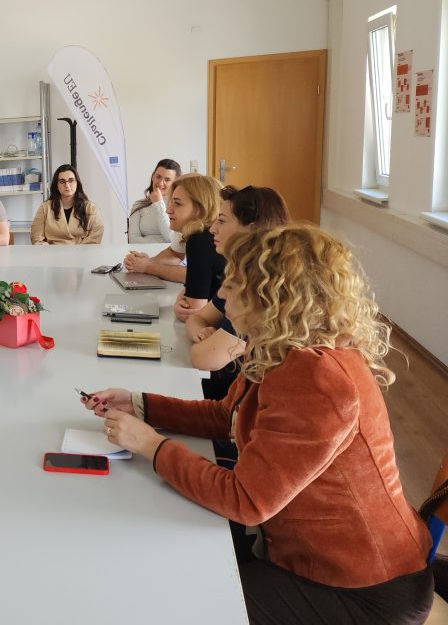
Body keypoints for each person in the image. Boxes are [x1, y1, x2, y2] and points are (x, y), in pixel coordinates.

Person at [84, 225, 433, 625]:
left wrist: (152, 446)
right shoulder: (282, 349)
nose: (223, 293)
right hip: (310, 554)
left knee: (175, 599)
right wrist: (141, 404)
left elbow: (246, 501)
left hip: (363, 589)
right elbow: (225, 416)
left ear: (273, 297)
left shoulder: (319, 378)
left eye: (234, 283)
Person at [186, 185, 290, 400]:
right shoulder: (240, 272)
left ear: (251, 230)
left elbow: (205, 359)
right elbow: (198, 317)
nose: (213, 229)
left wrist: (205, 339)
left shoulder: (260, 286)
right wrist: (201, 332)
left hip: (243, 402)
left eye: (222, 221)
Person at [124, 174, 223, 317]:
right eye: (170, 202)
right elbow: (177, 255)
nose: (168, 210)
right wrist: (147, 262)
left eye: (177, 203)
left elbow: (192, 311)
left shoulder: (199, 240)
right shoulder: (203, 235)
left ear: (200, 208)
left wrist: (147, 266)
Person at [30, 164, 104, 245]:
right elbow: (36, 238)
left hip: (82, 254)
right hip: (52, 254)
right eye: (62, 182)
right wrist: (50, 254)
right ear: (57, 186)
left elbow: (95, 236)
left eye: (71, 180)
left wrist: (78, 253)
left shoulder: (90, 208)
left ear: (77, 183)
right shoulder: (45, 208)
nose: (67, 185)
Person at [127, 158, 181, 243]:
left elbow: (171, 239)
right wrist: (160, 243)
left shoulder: (179, 205)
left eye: (167, 180)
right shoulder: (138, 205)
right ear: (153, 176)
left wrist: (158, 203)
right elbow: (133, 240)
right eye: (158, 177)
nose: (160, 183)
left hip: (168, 255)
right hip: (141, 253)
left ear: (175, 182)